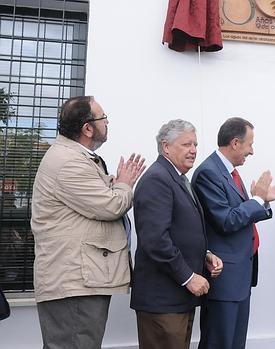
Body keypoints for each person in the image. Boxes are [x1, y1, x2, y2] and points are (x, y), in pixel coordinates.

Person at [31, 96, 145, 349]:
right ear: (87, 128)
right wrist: (125, 184)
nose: (107, 122)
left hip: (79, 280)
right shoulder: (68, 161)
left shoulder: (76, 157)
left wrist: (112, 186)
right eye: (103, 117)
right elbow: (110, 206)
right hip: (73, 283)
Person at [192, 117, 275, 349]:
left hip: (239, 276)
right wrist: (257, 198)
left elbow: (240, 214)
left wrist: (263, 200)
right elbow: (226, 220)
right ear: (235, 143)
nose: (252, 151)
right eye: (250, 144)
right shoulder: (209, 173)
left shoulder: (228, 171)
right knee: (220, 342)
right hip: (224, 277)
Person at [130, 119, 223, 349]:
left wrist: (205, 254)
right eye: (186, 144)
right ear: (166, 147)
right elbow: (156, 241)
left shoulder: (178, 178)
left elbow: (181, 231)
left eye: (195, 144)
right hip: (162, 301)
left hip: (177, 300)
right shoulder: (157, 179)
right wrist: (189, 277)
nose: (193, 150)